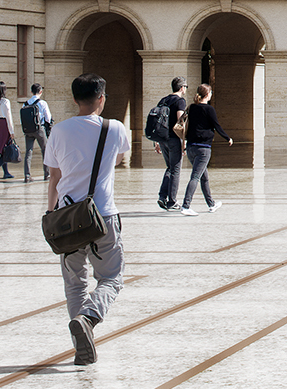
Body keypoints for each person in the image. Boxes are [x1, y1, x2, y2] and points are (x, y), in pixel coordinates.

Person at [45, 73, 131, 366]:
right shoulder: (115, 128)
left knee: (74, 282)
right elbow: (118, 160)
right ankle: (89, 317)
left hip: (68, 217)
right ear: (102, 99)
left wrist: (51, 213)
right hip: (103, 214)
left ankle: (81, 344)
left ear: (74, 99)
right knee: (111, 278)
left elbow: (54, 177)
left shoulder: (59, 130)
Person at [180, 83, 232, 214]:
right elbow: (216, 126)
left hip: (191, 147)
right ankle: (185, 206)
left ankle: (211, 204)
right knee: (195, 177)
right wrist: (227, 138)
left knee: (204, 177)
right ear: (208, 94)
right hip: (203, 148)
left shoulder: (192, 108)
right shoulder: (209, 109)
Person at [149, 77, 189, 211]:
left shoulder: (163, 100)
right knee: (175, 169)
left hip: (162, 138)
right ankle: (172, 201)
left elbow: (156, 121)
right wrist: (184, 141)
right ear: (182, 87)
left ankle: (162, 196)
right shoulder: (180, 101)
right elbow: (180, 122)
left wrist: (156, 142)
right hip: (173, 139)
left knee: (170, 167)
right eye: (185, 87)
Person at [20, 84, 51, 183]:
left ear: (31, 92)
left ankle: (27, 175)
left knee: (28, 152)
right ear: (40, 91)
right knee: (45, 150)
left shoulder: (25, 104)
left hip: (28, 130)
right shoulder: (42, 103)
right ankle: (47, 174)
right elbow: (48, 118)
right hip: (39, 129)